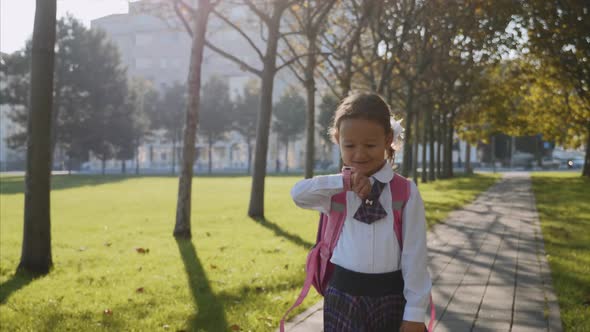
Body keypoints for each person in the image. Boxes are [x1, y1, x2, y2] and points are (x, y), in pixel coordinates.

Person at [290, 92, 431, 332]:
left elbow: (415, 256)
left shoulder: (405, 192)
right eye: (349, 145)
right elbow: (298, 195)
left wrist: (415, 313)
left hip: (391, 297)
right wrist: (343, 182)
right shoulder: (335, 190)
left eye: (370, 145)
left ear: (388, 140)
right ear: (337, 139)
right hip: (342, 296)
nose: (359, 154)